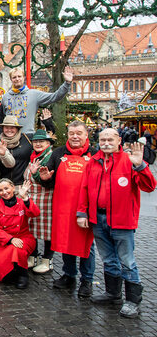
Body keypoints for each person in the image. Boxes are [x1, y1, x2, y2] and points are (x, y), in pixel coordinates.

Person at [77, 130, 156, 318]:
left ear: (118, 140)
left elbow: (149, 186)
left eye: (110, 139)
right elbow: (85, 188)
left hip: (122, 219)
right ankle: (113, 293)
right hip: (98, 218)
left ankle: (132, 300)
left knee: (127, 261)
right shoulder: (93, 162)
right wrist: (82, 213)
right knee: (108, 259)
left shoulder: (128, 161)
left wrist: (140, 166)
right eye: (103, 139)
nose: (106, 143)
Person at [38, 120, 96, 297]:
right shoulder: (58, 153)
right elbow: (48, 180)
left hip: (85, 207)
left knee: (86, 245)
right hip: (62, 207)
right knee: (66, 241)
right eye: (72, 133)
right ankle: (69, 275)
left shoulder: (94, 154)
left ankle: (87, 280)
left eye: (79, 133)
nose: (75, 136)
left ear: (86, 135)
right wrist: (45, 178)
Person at [0, 179, 39, 289]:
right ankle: (13, 271)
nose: (4, 192)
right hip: (4, 241)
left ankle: (23, 274)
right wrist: (10, 239)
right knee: (5, 277)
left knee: (17, 249)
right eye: (1, 190)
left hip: (23, 237)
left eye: (6, 188)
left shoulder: (22, 202)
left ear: (13, 187)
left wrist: (25, 198)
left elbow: (35, 213)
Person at [0, 67, 73, 135]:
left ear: (23, 77)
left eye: (19, 76)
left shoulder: (34, 94)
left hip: (27, 135)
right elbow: (3, 116)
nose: (17, 79)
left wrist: (67, 83)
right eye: (14, 77)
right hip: (10, 136)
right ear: (11, 79)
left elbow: (54, 96)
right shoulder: (5, 97)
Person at [23, 129, 55, 274]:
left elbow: (48, 180)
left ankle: (47, 261)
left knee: (48, 231)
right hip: (32, 197)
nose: (38, 144)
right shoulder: (33, 156)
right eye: (35, 142)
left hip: (46, 198)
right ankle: (33, 256)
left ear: (48, 143)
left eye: (41, 141)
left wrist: (35, 173)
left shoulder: (50, 157)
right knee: (31, 229)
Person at [0, 116, 32, 187]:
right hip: (5, 185)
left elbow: (45, 141)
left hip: (23, 184)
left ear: (17, 129)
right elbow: (9, 164)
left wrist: (47, 122)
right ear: (3, 129)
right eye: (6, 128)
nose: (9, 130)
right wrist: (3, 154)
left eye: (12, 128)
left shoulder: (27, 139)